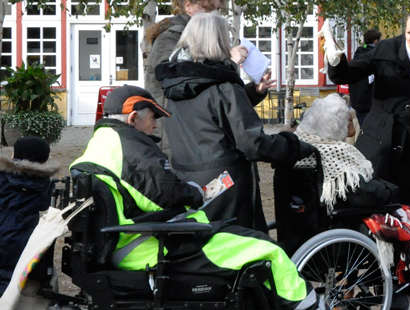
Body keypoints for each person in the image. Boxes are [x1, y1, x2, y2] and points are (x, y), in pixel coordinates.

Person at [69, 85, 315, 310]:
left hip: (123, 241)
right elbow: (165, 197)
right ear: (133, 118)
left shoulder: (101, 143)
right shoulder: (132, 150)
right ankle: (309, 305)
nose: (155, 126)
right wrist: (195, 192)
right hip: (150, 247)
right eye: (153, 118)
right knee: (267, 249)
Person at [156, 12, 317, 232]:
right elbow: (254, 143)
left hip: (189, 181)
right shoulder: (224, 87)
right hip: (228, 187)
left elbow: (209, 114)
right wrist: (292, 144)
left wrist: (250, 91)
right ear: (219, 42)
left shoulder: (174, 86)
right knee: (242, 248)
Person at [323, 0, 410, 208]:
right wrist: (335, 59)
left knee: (405, 212)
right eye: (409, 32)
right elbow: (350, 72)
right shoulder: (387, 49)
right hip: (377, 142)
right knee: (366, 208)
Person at [144, 0, 275, 153]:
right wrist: (231, 63)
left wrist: (254, 90)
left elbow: (217, 100)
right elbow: (181, 80)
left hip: (199, 136)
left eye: (219, 10)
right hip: (177, 138)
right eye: (210, 9)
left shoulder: (207, 40)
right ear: (188, 6)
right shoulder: (170, 38)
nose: (215, 15)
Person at [277, 94, 401, 253]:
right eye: (347, 121)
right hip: (334, 239)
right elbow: (361, 193)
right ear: (338, 126)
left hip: (296, 234)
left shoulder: (298, 148)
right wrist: (390, 190)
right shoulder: (333, 154)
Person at [0, 137, 59, 284]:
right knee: (11, 272)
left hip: (4, 227)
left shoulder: (3, 178)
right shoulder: (44, 184)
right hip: (25, 233)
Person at [349, 28, 383, 124]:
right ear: (376, 41)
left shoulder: (358, 56)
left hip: (357, 102)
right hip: (370, 104)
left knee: (363, 131)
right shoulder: (375, 57)